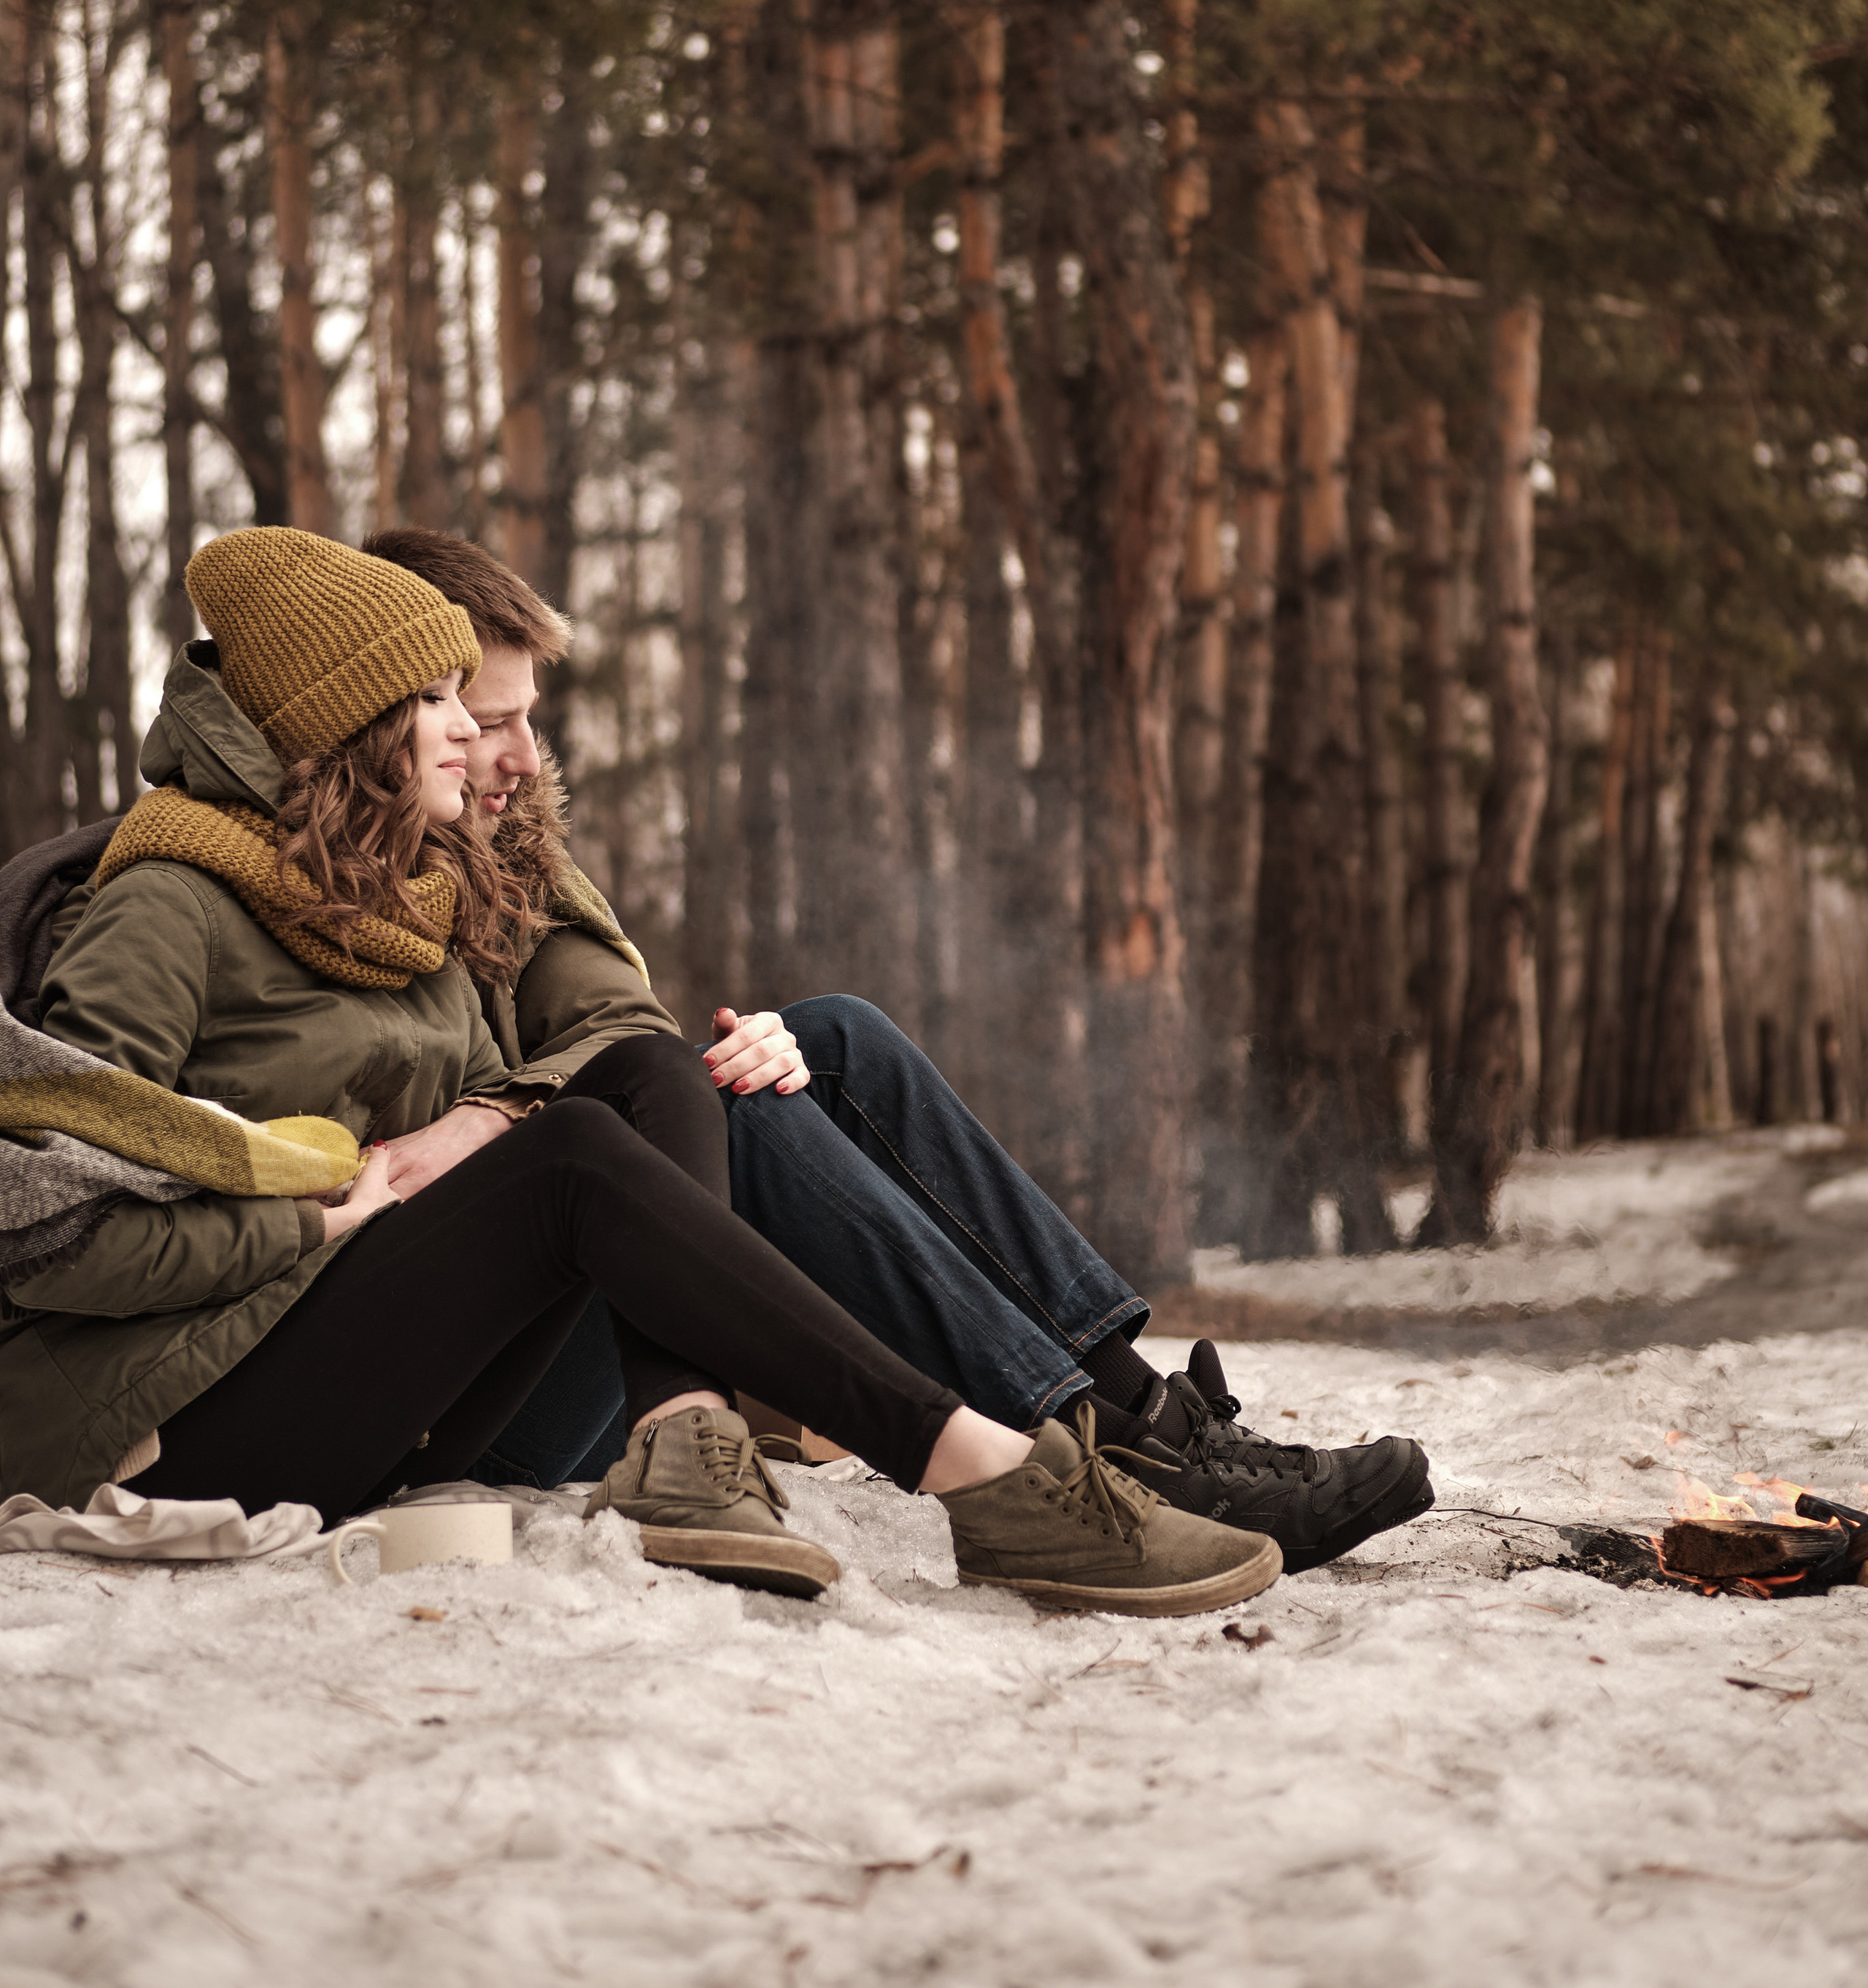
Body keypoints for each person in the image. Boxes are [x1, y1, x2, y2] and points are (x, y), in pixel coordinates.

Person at [7, 525, 1283, 1619]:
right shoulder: (164, 909)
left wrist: (481, 1126)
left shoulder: (406, 903)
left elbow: (618, 1030)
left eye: (489, 706)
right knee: (577, 1156)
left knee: (661, 1075)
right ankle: (993, 1477)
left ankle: (702, 1436)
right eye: (449, 704)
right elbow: (45, 1235)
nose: (484, 739)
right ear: (352, 719)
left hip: (372, 1376)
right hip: (173, 1431)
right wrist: (296, 1219)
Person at [360, 528, 1433, 1573]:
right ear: (393, 714)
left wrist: (743, 1054)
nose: (514, 755)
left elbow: (620, 1027)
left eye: (522, 718)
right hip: (470, 1400)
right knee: (729, 1106)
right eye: (480, 718)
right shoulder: (325, 887)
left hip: (578, 1331)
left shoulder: (502, 860)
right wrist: (521, 1116)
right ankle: (1077, 1459)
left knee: (828, 1037)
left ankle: (1142, 1419)